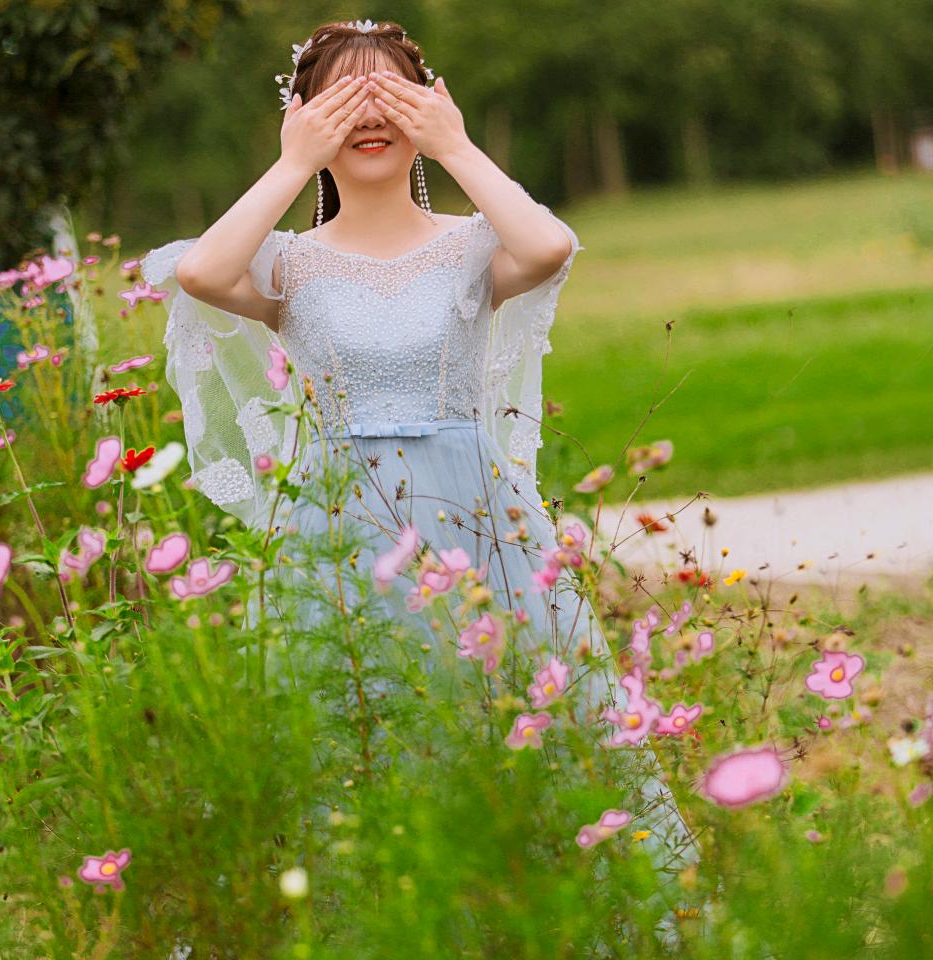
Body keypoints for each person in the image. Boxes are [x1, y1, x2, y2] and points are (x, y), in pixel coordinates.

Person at [142, 19, 701, 956]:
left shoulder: (471, 248)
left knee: (517, 719)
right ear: (303, 116)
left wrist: (456, 143)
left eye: (390, 94)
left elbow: (552, 243)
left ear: (426, 106)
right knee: (350, 725)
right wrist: (292, 164)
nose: (370, 114)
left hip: (480, 525)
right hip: (334, 534)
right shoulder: (290, 263)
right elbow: (201, 271)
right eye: (342, 97)